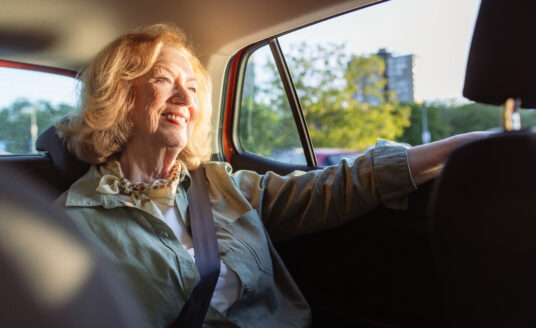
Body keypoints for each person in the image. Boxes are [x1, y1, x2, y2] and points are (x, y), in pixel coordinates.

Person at [56, 23, 488, 327]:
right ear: (120, 96)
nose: (185, 94)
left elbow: (334, 188)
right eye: (164, 79)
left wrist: (468, 146)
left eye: (192, 84)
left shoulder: (222, 185)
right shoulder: (66, 223)